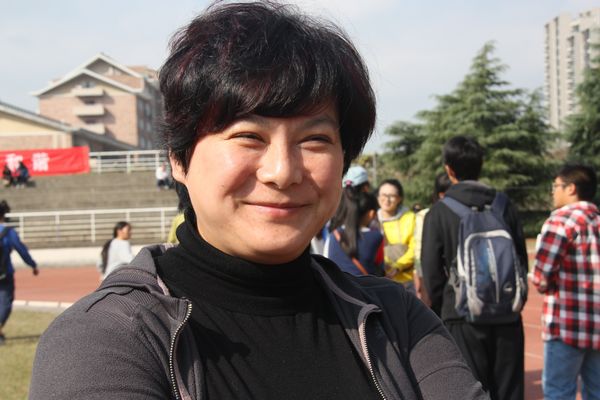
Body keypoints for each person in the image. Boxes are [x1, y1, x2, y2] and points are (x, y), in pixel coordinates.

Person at [30, 3, 487, 399]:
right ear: (178, 159)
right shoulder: (105, 338)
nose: (283, 172)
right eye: (248, 136)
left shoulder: (396, 317)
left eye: (315, 139)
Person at [421, 136, 528, 400]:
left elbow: (431, 272)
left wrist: (442, 308)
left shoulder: (439, 211)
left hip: (461, 316)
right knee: (509, 392)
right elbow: (521, 259)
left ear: (449, 169)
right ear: (481, 164)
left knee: (468, 390)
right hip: (507, 313)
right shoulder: (504, 205)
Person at [532, 164, 600, 400]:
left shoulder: (560, 221)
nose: (553, 191)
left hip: (566, 324)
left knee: (559, 393)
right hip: (597, 325)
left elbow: (541, 277)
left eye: (556, 186)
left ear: (571, 188)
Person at [0, 200, 38, 345]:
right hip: (5, 273)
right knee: (5, 302)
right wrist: (32, 265)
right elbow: (21, 250)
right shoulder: (8, 232)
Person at [324, 188, 384, 276]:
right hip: (365, 284)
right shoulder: (377, 237)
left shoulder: (333, 235)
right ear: (371, 214)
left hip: (334, 284)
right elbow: (381, 266)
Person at [413, 172, 452, 306]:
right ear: (441, 194)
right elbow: (419, 251)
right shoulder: (425, 216)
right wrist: (419, 276)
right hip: (430, 277)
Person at [376, 179, 416, 292]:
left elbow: (415, 248)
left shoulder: (410, 218)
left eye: (392, 196)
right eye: (383, 195)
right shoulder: (371, 219)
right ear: (378, 197)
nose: (387, 199)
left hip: (407, 282)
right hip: (379, 280)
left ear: (399, 198)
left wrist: (398, 266)